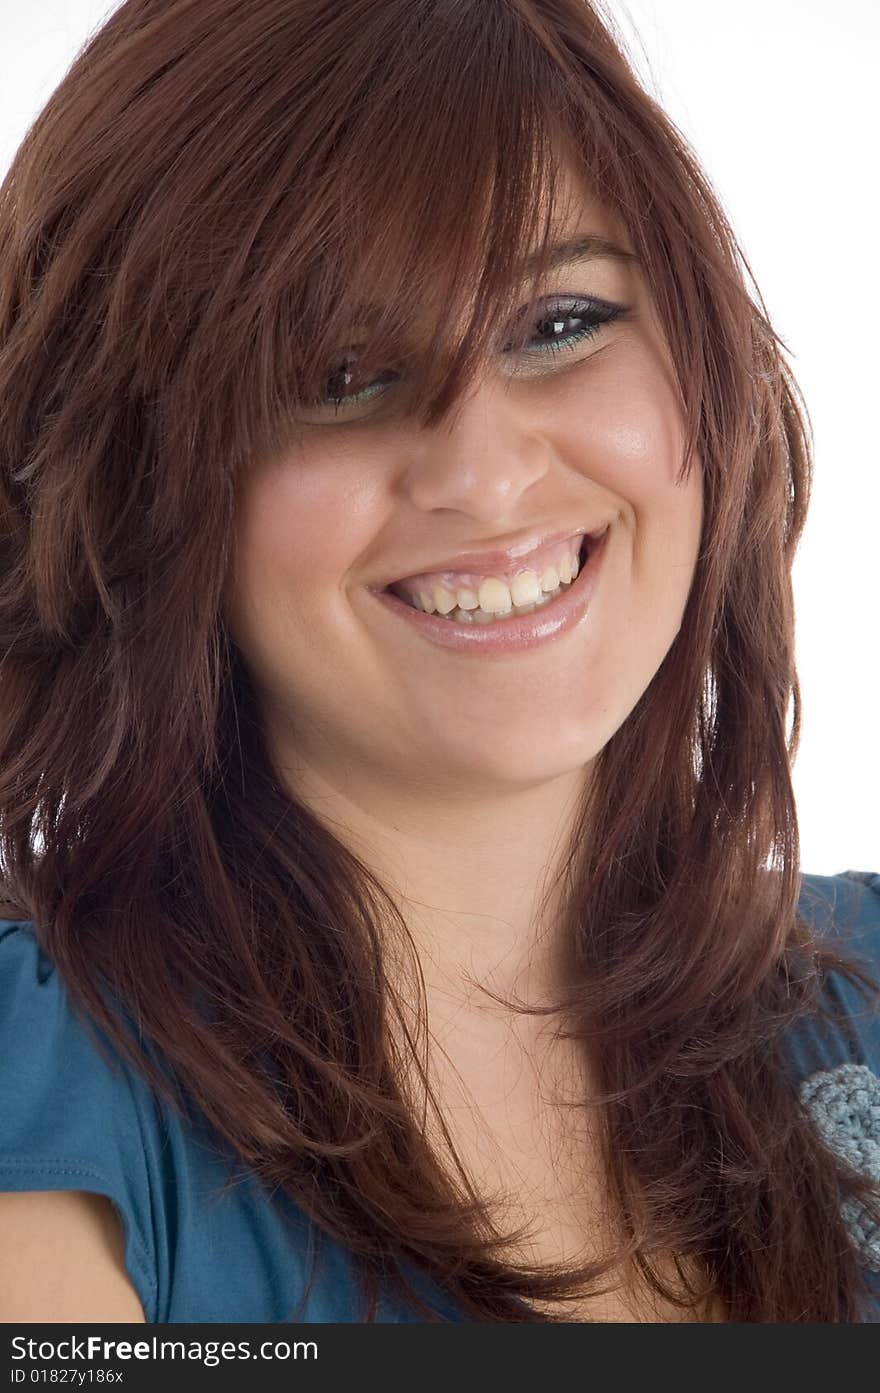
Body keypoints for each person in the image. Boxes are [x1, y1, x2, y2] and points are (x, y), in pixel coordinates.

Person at [0, 0, 878, 1325]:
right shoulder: (45, 1082)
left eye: (560, 321)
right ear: (134, 482)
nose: (486, 474)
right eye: (342, 370)